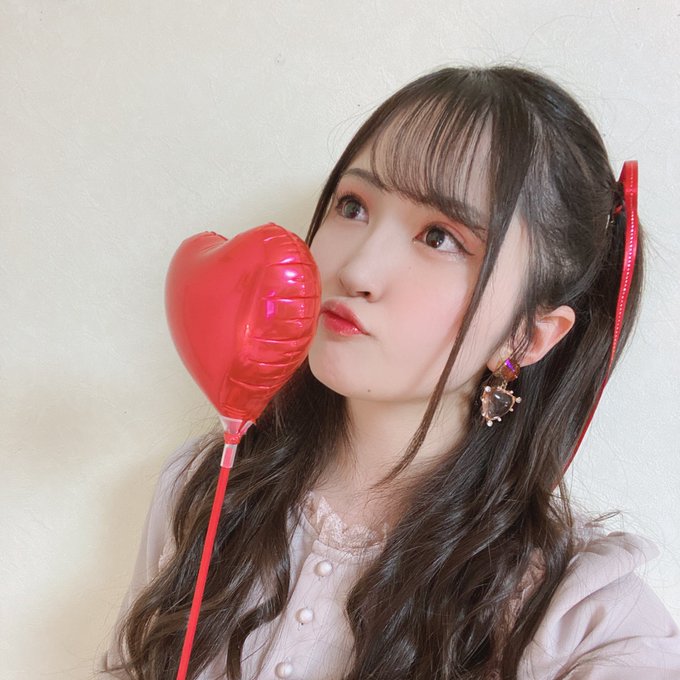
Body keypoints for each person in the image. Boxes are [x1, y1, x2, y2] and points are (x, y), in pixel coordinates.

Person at [100, 66, 680, 679]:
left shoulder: (575, 616)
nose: (357, 269)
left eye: (440, 237)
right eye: (353, 206)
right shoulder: (206, 491)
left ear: (526, 336)